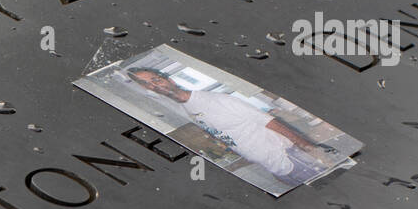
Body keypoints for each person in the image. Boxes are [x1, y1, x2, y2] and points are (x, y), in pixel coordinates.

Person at [126, 67, 335, 185]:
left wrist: (311, 149)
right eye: (147, 84)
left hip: (293, 158)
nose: (154, 85)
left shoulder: (217, 100)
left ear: (168, 79)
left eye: (155, 80)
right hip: (278, 168)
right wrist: (269, 167)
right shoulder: (185, 110)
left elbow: (270, 122)